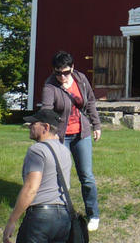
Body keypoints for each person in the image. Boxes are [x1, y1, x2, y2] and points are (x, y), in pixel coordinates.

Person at [41, 50, 102, 232]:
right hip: (61, 137)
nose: (62, 76)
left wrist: (96, 125)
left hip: (81, 134)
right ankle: (63, 215)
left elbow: (90, 101)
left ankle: (93, 214)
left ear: (72, 68)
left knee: (87, 177)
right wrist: (46, 135)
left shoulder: (81, 79)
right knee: (61, 179)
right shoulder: (50, 86)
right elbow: (46, 110)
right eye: (58, 72)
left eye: (65, 72)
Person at [3, 108, 73, 243]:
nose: (30, 126)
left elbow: (31, 189)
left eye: (34, 123)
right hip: (64, 218)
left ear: (45, 127)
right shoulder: (65, 151)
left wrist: (12, 221)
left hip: (40, 219)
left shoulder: (37, 150)